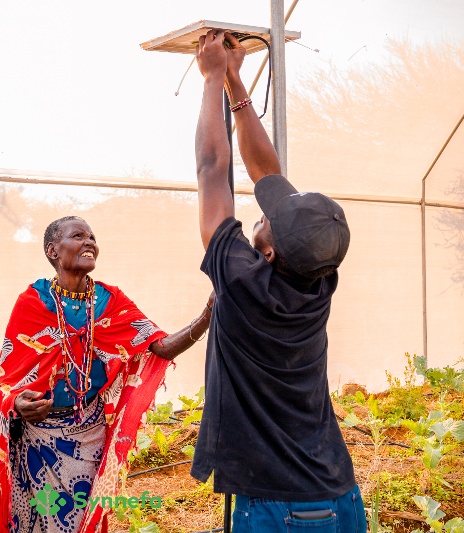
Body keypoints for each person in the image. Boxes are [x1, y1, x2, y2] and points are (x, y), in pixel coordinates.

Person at [190, 31, 365, 532]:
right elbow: (265, 170)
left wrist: (209, 78)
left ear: (267, 251)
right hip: (337, 493)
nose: (262, 213)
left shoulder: (243, 286)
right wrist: (234, 80)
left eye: (268, 220)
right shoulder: (317, 275)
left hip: (273, 508)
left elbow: (211, 171)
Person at [0, 216, 213, 533]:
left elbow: (159, 347)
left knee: (81, 520)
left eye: (92, 236)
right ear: (53, 250)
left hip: (89, 434)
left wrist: (206, 316)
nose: (89, 241)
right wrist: (16, 403)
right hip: (37, 438)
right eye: (78, 235)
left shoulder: (111, 301)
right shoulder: (33, 302)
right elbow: (5, 377)